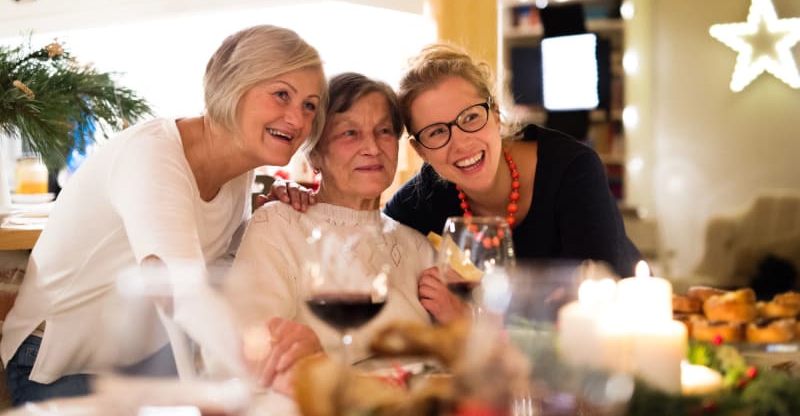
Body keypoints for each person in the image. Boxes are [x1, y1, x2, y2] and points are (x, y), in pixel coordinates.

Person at [0, 25, 327, 405]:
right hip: (55, 363)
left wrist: (269, 211)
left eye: (309, 105)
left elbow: (217, 268)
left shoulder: (239, 166)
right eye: (281, 94)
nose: (298, 119)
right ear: (232, 85)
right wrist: (263, 366)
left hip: (140, 362)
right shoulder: (152, 156)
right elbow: (179, 291)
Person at [271, 43, 641, 282]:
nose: (460, 143)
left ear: (496, 114)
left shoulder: (572, 167)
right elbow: (367, 223)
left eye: (470, 118)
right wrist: (301, 197)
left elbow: (600, 287)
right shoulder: (428, 194)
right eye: (436, 132)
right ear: (420, 149)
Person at [225, 73, 442, 392]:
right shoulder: (280, 224)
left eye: (383, 131)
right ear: (314, 152)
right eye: (350, 133)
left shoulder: (416, 245)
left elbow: (457, 350)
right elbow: (250, 345)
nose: (372, 148)